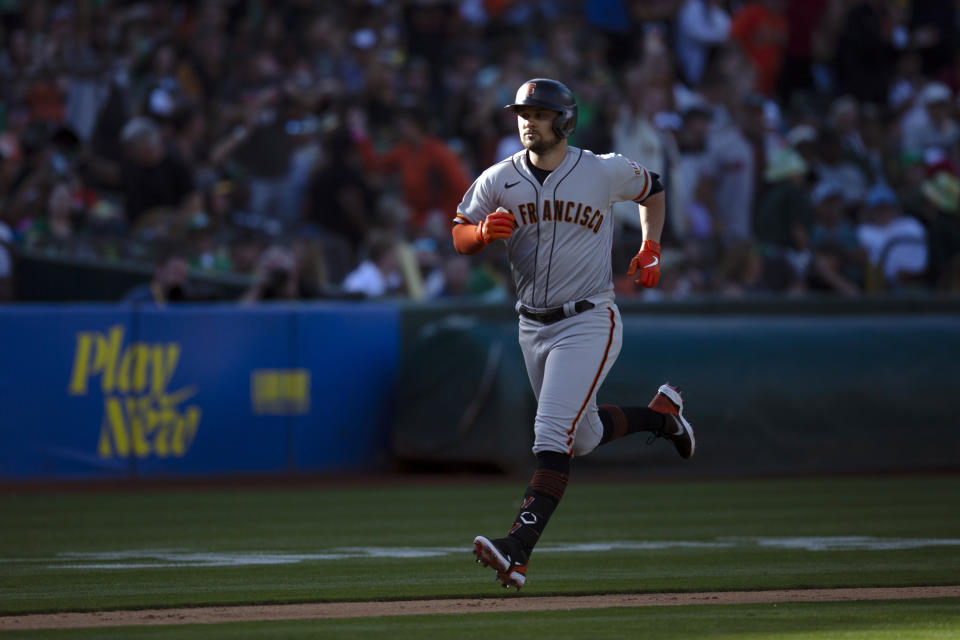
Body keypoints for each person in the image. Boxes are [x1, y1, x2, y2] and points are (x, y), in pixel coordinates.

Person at [452, 78, 696, 591]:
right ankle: (661, 418)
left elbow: (653, 187)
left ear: (564, 121)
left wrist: (652, 248)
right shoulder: (500, 178)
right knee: (579, 437)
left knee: (549, 433)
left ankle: (517, 550)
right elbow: (459, 231)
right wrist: (477, 235)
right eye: (522, 112)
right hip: (531, 324)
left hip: (589, 318)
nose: (527, 121)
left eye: (539, 113)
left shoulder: (601, 170)